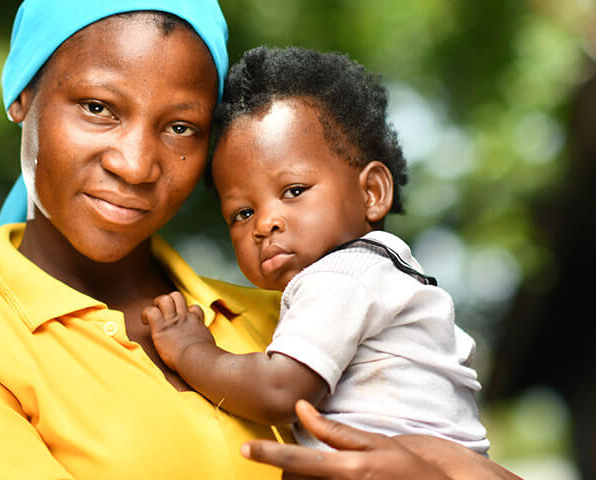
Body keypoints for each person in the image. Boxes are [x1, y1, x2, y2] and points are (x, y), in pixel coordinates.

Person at [0, 1, 518, 478]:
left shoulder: (284, 314)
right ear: (22, 96)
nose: (135, 165)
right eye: (98, 109)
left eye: (180, 128)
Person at [141, 47, 490, 455]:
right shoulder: (380, 271)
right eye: (242, 212)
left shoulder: (341, 277)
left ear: (372, 192)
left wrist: (191, 351)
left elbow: (278, 390)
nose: (264, 224)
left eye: (294, 191)